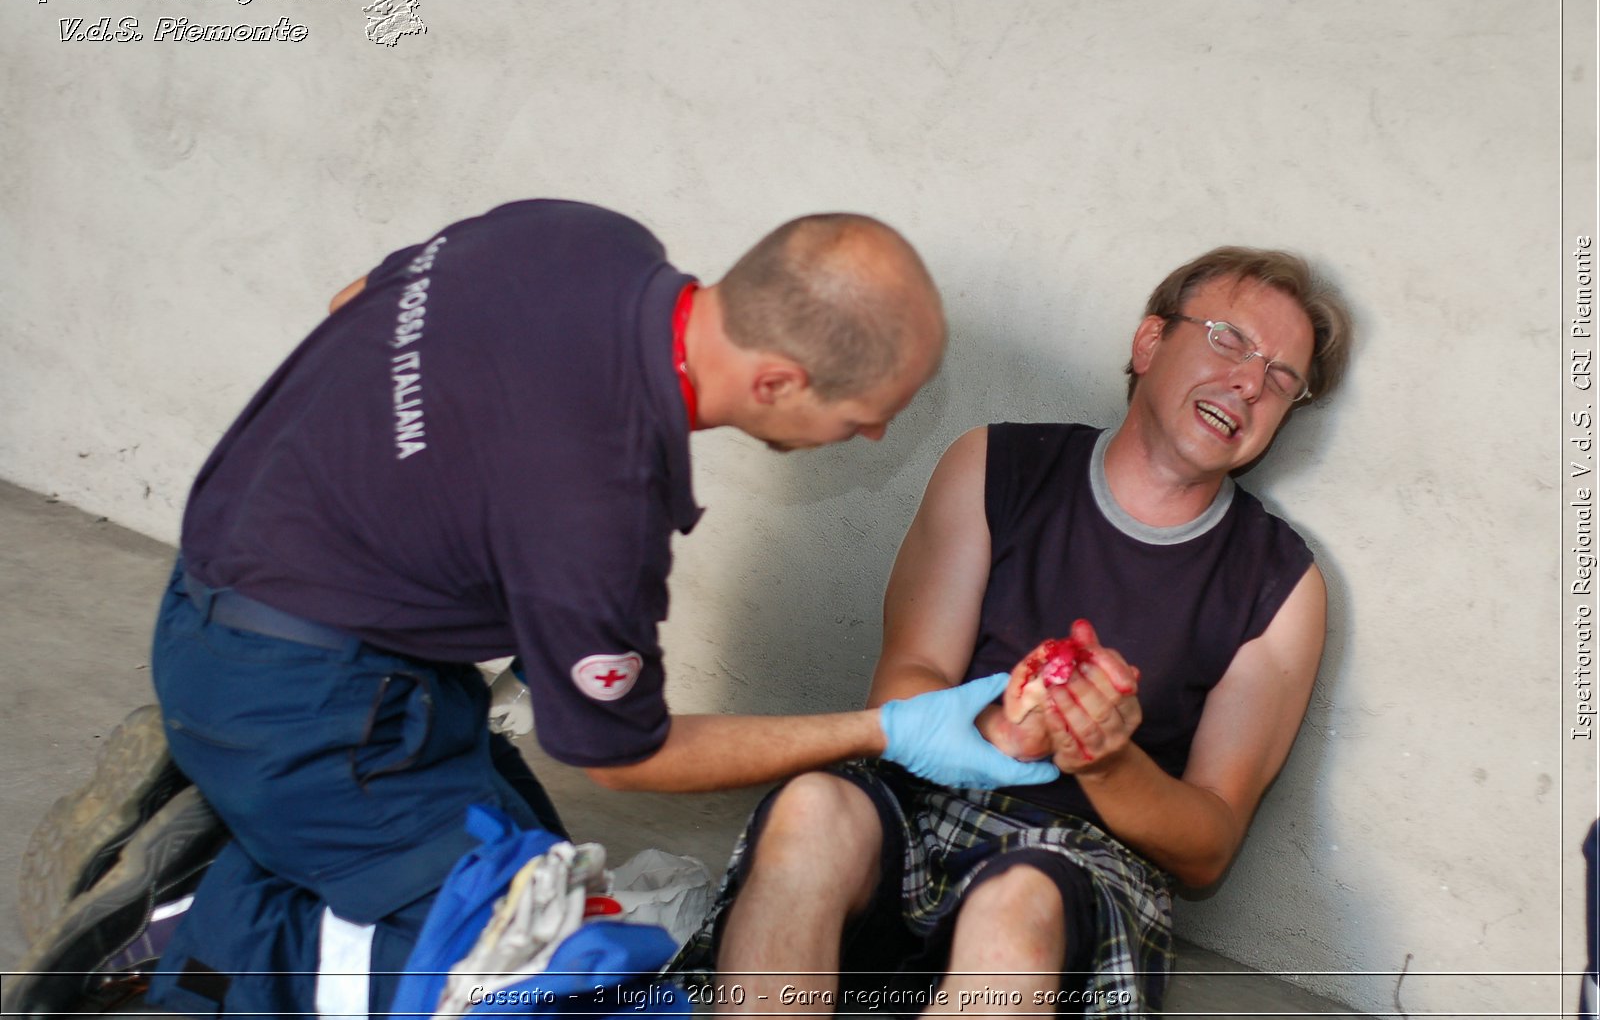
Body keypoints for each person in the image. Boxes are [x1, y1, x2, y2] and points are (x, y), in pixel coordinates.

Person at [7, 200, 1055, 1018]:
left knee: (553, 875)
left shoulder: (582, 238)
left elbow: (355, 300)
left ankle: (267, 816)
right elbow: (622, 756)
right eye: (862, 416)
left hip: (236, 610)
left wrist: (411, 514)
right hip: (310, 704)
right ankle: (175, 934)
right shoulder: (602, 502)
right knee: (522, 972)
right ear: (778, 379)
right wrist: (888, 728)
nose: (871, 439)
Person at [684, 247, 1354, 1016]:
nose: (1249, 383)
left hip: (1081, 865)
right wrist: (1005, 728)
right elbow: (905, 684)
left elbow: (1207, 846)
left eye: (1281, 378)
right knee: (810, 807)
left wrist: (1106, 762)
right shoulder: (995, 464)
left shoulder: (1281, 585)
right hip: (921, 805)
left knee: (1020, 904)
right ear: (1149, 343)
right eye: (1230, 340)